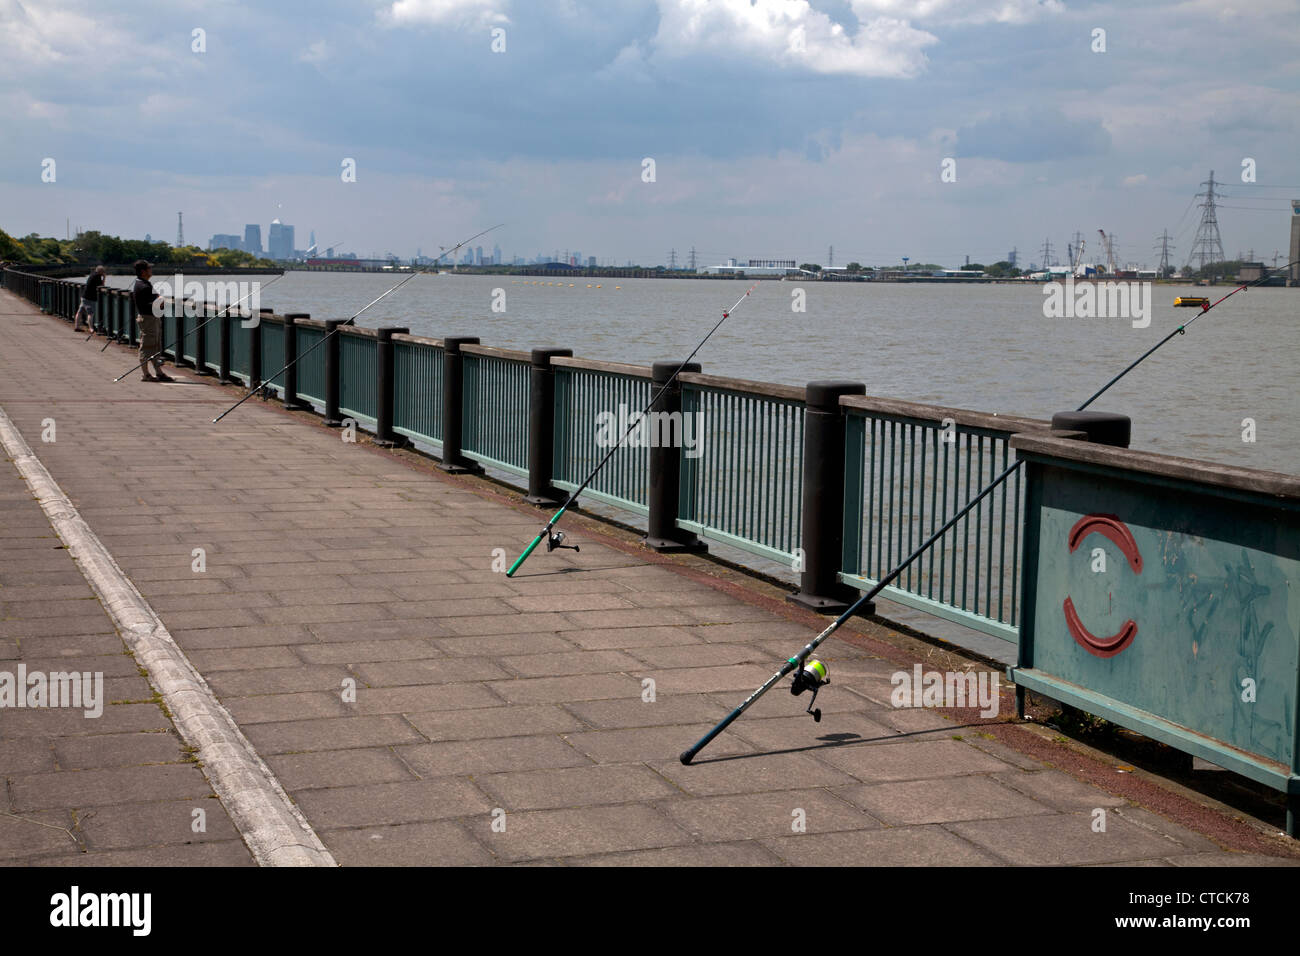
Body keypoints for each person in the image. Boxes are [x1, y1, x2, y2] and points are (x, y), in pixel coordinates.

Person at [132, 260, 173, 383]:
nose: (151, 270)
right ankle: (146, 374)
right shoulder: (143, 286)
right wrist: (160, 300)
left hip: (151, 318)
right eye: (149, 268)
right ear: (143, 271)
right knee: (147, 346)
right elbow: (151, 304)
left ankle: (159, 373)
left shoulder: (143, 283)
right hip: (148, 319)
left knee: (155, 346)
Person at [73, 265, 106, 333]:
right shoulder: (97, 276)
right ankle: (91, 328)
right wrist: (104, 277)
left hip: (84, 296)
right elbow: (102, 285)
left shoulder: (92, 274)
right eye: (103, 271)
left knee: (80, 312)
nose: (103, 272)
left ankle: (76, 326)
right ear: (101, 271)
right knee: (90, 313)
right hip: (90, 298)